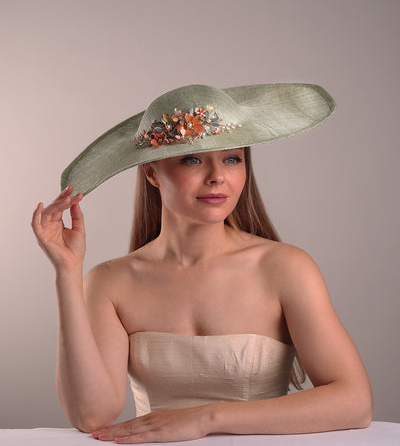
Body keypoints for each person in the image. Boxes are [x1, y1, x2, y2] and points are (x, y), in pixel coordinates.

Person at [32, 84, 373, 444]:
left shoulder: (286, 268)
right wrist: (67, 273)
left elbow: (355, 402)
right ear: (152, 173)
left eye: (232, 158)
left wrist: (205, 419)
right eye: (192, 158)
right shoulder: (110, 281)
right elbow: (91, 415)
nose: (217, 176)